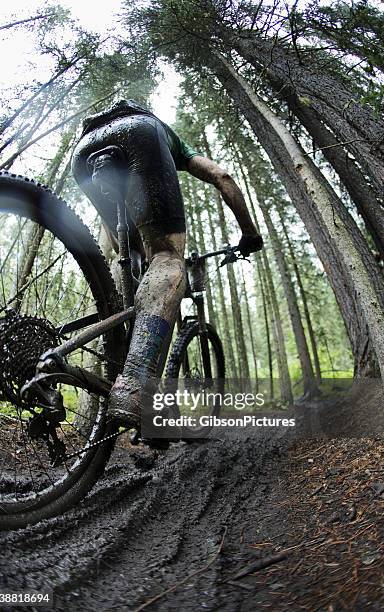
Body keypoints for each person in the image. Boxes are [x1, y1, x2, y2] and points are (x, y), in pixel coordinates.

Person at [71, 99, 263, 431]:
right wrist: (249, 234)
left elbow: (117, 240)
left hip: (83, 153)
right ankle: (133, 385)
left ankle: (152, 416)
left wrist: (133, 252)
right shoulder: (164, 133)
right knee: (167, 259)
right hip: (138, 135)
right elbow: (222, 175)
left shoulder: (95, 137)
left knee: (146, 269)